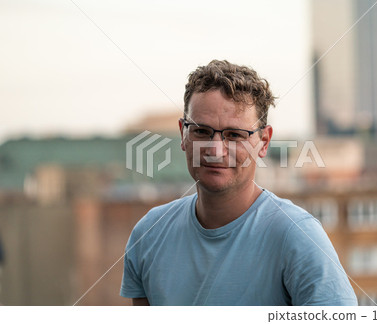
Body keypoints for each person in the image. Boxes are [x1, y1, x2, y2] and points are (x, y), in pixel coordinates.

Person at [120, 60, 357, 306]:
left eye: (234, 135)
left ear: (264, 142)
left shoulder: (297, 237)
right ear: (183, 134)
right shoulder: (149, 234)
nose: (215, 149)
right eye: (201, 131)